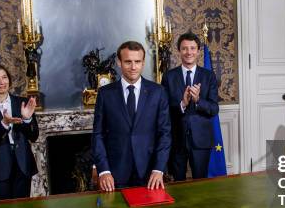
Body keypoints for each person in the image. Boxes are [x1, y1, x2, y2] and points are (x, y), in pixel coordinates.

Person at [92, 41, 171, 191]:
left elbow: (165, 134)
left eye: (137, 62)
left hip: (149, 173)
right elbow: (98, 135)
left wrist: (158, 169)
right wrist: (103, 170)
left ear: (143, 62)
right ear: (119, 62)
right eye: (128, 62)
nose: (133, 67)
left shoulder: (158, 92)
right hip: (115, 174)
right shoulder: (105, 94)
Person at [0, 64, 39, 200]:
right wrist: (4, 124)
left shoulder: (22, 102)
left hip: (22, 165)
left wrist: (26, 120)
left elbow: (34, 136)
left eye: (4, 77)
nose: (2, 82)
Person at [161, 32, 219, 181]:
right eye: (185, 48)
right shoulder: (169, 76)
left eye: (192, 48)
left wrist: (198, 100)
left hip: (201, 141)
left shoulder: (209, 76)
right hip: (176, 140)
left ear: (198, 51)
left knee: (200, 184)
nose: (189, 52)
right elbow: (164, 110)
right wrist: (182, 104)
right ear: (179, 51)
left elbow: (214, 109)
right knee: (178, 185)